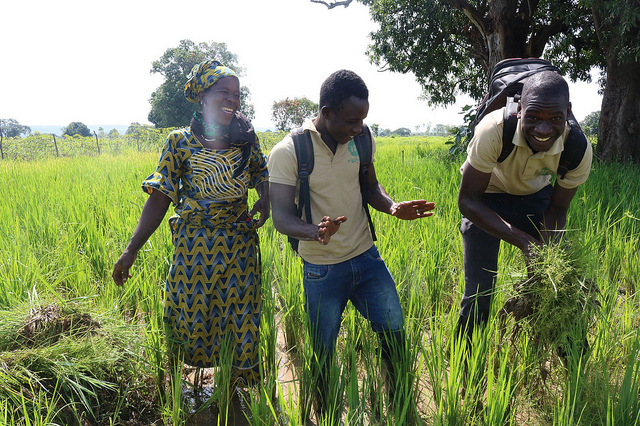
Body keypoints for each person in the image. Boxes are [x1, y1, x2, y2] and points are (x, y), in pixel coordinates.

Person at [268, 69, 435, 419]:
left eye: (362, 120)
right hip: (322, 270)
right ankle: (326, 414)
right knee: (323, 354)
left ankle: (401, 411)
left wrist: (391, 206)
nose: (357, 127)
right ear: (326, 112)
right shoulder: (289, 151)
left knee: (395, 338)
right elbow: (281, 217)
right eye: (351, 120)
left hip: (367, 259)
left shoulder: (361, 139)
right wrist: (316, 231)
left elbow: (370, 187)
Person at [112, 60, 270, 387]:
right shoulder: (179, 141)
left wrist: (265, 199)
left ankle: (236, 395)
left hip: (239, 245)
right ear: (202, 95)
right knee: (187, 315)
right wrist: (131, 250)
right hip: (194, 246)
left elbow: (261, 174)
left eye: (236, 94)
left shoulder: (245, 138)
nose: (233, 99)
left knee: (241, 320)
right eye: (223, 92)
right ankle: (179, 391)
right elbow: (159, 197)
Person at [457, 70, 592, 344]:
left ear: (567, 111)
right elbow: (468, 202)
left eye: (555, 119)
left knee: (556, 287)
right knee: (479, 292)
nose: (543, 130)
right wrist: (525, 242)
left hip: (536, 199)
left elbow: (556, 211)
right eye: (532, 118)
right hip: (487, 198)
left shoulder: (577, 148)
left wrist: (544, 258)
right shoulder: (493, 130)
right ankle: (465, 367)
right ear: (519, 109)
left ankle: (576, 369)